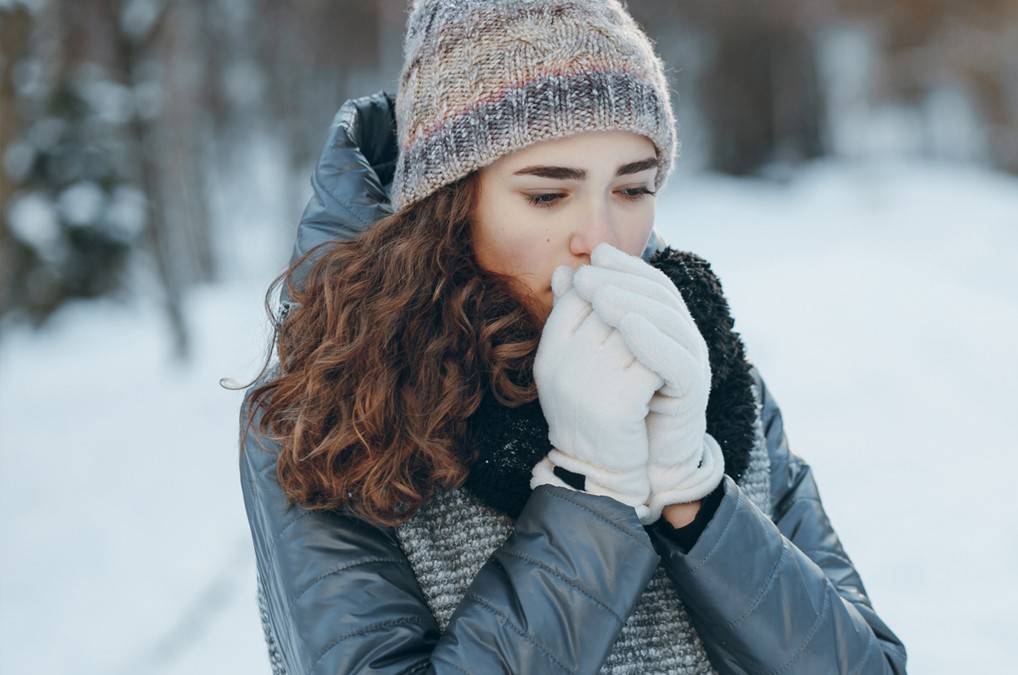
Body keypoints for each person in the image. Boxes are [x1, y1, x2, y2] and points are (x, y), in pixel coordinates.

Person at [240, 1, 907, 673]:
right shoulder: (330, 411)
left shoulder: (710, 375)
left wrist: (693, 495)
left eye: (632, 188)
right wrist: (589, 494)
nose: (602, 240)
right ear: (448, 204)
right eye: (546, 196)